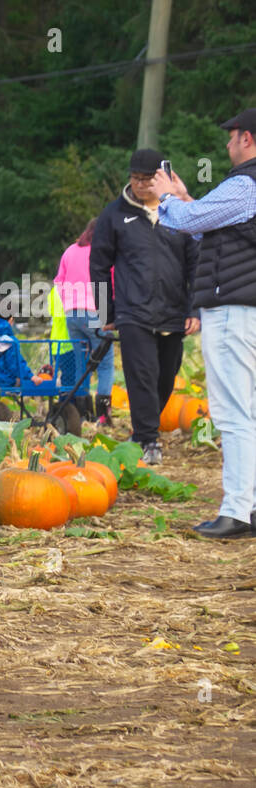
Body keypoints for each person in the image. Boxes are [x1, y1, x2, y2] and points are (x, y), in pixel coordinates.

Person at [151, 107, 256, 539]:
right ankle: (248, 505)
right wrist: (187, 198)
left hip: (232, 311)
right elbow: (209, 226)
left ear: (247, 138)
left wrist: (166, 197)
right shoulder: (243, 191)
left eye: (231, 137)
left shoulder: (245, 184)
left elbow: (186, 222)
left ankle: (236, 510)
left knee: (233, 412)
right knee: (248, 411)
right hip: (245, 310)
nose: (227, 145)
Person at [89, 148, 198, 467]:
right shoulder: (114, 215)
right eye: (135, 178)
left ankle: (143, 431)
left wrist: (194, 308)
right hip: (132, 312)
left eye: (147, 179)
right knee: (142, 375)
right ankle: (148, 439)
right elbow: (99, 265)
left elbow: (195, 263)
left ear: (162, 178)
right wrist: (106, 312)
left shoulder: (179, 214)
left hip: (173, 310)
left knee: (166, 376)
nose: (140, 185)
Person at [53, 218, 114, 425]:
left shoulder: (70, 251)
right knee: (105, 364)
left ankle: (81, 412)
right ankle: (103, 416)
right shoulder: (105, 252)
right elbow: (113, 281)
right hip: (97, 312)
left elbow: (58, 282)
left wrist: (69, 302)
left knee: (82, 364)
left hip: (73, 315)